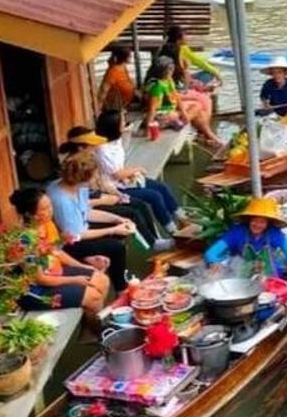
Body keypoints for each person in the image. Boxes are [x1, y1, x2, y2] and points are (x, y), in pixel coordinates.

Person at [11, 188, 109, 324]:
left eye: (50, 205)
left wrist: (83, 266)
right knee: (94, 297)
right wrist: (73, 279)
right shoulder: (25, 242)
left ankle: (91, 328)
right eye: (44, 208)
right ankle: (96, 331)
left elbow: (57, 251)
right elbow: (40, 279)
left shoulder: (46, 224)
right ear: (31, 215)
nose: (50, 210)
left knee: (102, 280)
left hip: (54, 273)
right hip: (37, 291)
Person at [47, 150, 134, 290]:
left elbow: (86, 212)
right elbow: (77, 235)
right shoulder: (61, 200)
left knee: (125, 219)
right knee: (116, 247)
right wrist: (112, 229)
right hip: (68, 243)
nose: (96, 179)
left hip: (79, 229)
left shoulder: (78, 186)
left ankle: (98, 260)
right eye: (94, 176)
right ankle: (120, 288)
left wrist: (117, 219)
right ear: (84, 177)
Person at [92, 110, 182, 236]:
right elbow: (117, 174)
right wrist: (137, 169)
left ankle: (182, 217)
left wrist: (126, 134)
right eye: (122, 121)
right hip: (113, 187)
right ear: (114, 127)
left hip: (124, 181)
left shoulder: (115, 140)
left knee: (161, 187)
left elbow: (120, 165)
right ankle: (172, 230)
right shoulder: (103, 149)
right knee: (154, 196)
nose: (125, 123)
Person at [204, 196, 287, 278]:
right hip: (242, 270)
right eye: (254, 220)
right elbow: (212, 252)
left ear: (268, 224)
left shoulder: (274, 233)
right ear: (248, 220)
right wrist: (214, 262)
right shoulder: (237, 232)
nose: (257, 225)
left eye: (262, 222)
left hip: (269, 272)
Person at [144, 59, 224, 148]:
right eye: (171, 70)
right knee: (198, 107)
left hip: (170, 110)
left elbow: (176, 97)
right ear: (167, 71)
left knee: (197, 107)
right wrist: (148, 129)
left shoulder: (168, 81)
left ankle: (207, 137)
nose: (172, 73)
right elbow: (152, 109)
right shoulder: (157, 87)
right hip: (162, 117)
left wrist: (184, 113)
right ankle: (208, 137)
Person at [98, 46, 137, 112]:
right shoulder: (113, 71)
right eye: (130, 55)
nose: (131, 57)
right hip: (116, 106)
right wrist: (99, 107)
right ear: (126, 57)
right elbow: (104, 89)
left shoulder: (122, 67)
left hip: (126, 102)